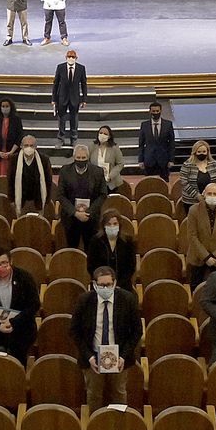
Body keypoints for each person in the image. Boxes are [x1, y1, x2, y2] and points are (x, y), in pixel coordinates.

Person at [70, 266, 142, 409]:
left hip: (119, 357)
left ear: (114, 283)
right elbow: (74, 331)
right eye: (101, 285)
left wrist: (123, 356)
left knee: (119, 394)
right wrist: (89, 357)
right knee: (94, 395)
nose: (105, 288)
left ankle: (118, 422)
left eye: (108, 284)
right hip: (93, 357)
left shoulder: (127, 299)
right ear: (94, 284)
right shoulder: (84, 300)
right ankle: (95, 422)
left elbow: (137, 331)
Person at [0, 249, 40, 361]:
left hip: (22, 330)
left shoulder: (25, 278)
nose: (0, 267)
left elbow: (34, 305)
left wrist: (14, 322)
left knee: (19, 364)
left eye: (4, 263)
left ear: (11, 261)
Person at [181, 182, 216, 287]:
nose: (212, 196)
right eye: (209, 193)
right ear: (204, 194)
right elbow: (192, 236)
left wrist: (215, 256)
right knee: (196, 289)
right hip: (198, 257)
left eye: (215, 194)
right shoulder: (194, 210)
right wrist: (206, 257)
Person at [56, 143, 108, 248]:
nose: (81, 160)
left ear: (88, 158)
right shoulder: (65, 171)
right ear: (74, 157)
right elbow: (61, 195)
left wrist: (88, 212)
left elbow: (103, 194)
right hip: (71, 218)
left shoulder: (98, 172)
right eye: (78, 157)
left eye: (83, 158)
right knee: (72, 250)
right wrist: (75, 213)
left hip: (91, 218)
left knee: (92, 249)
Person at [88, 212, 136, 290]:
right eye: (109, 224)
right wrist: (104, 283)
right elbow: (91, 266)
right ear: (104, 225)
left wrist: (119, 285)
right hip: (101, 285)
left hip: (123, 286)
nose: (112, 226)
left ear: (119, 225)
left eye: (115, 224)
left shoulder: (128, 241)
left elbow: (131, 266)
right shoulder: (95, 241)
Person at [52, 48, 87, 147]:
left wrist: (84, 99)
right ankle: (60, 139)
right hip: (62, 97)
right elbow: (56, 84)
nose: (71, 58)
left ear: (76, 58)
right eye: (69, 56)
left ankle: (74, 139)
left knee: (74, 119)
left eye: (73, 57)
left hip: (75, 98)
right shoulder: (60, 67)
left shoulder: (81, 68)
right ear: (66, 57)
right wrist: (53, 99)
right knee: (61, 119)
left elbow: (84, 84)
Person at [10, 135, 52, 215]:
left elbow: (48, 181)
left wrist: (47, 201)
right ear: (21, 146)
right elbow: (10, 181)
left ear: (35, 147)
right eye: (26, 145)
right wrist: (12, 200)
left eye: (31, 145)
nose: (28, 148)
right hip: (21, 201)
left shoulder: (44, 160)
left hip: (38, 201)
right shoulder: (14, 159)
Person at [178, 140, 216, 209]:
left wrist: (212, 192)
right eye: (199, 152)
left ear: (207, 152)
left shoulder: (213, 163)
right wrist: (197, 196)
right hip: (191, 201)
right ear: (195, 152)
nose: (202, 154)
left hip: (211, 201)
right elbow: (184, 182)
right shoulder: (187, 165)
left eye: (204, 152)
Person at [138, 101, 176, 178]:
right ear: (150, 111)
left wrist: (171, 160)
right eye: (153, 111)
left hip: (163, 161)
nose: (155, 113)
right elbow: (141, 144)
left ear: (160, 111)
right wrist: (140, 160)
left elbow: (172, 143)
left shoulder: (168, 124)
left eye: (157, 111)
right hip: (149, 160)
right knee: (149, 182)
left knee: (164, 183)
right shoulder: (144, 125)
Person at [0, 99, 23, 178]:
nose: (5, 108)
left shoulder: (16, 120)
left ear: (11, 107)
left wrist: (11, 152)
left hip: (12, 153)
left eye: (7, 106)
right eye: (3, 106)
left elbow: (19, 136)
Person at [90, 125, 125, 192]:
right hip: (95, 182)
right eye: (101, 133)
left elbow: (120, 163)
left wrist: (110, 176)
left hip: (111, 183)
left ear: (109, 136)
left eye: (105, 134)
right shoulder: (92, 146)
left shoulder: (114, 148)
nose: (102, 135)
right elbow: (87, 161)